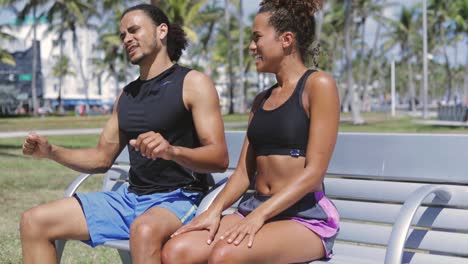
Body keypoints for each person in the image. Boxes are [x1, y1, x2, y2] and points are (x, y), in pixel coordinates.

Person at [20, 4, 228, 264]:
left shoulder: (193, 83)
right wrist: (51, 152)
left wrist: (171, 151)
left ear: (161, 31)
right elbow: (101, 158)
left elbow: (219, 158)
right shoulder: (127, 95)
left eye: (134, 30)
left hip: (181, 198)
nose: (127, 39)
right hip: (130, 199)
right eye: (122, 35)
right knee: (34, 221)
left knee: (143, 230)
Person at [162, 0, 340, 263]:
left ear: (286, 39)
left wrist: (260, 216)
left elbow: (313, 175)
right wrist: (214, 210)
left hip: (305, 217)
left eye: (257, 38)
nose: (251, 46)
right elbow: (244, 173)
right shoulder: (261, 100)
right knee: (176, 250)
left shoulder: (318, 85)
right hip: (255, 207)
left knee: (225, 255)